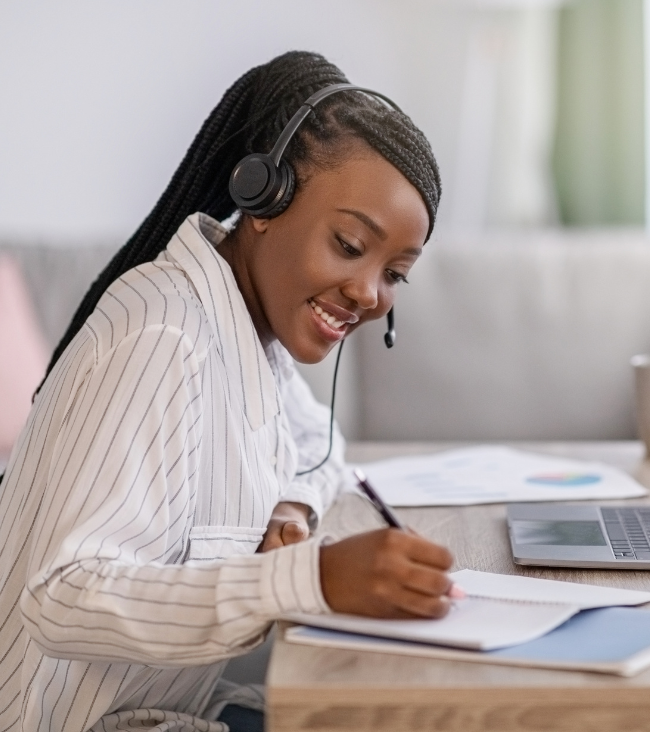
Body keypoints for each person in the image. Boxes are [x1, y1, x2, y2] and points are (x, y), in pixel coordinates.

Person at [0, 51, 454, 732]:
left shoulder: (248, 331)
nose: (369, 293)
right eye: (350, 244)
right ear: (264, 199)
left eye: (396, 273)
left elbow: (319, 442)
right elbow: (61, 597)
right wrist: (312, 580)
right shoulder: (166, 337)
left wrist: (293, 508)